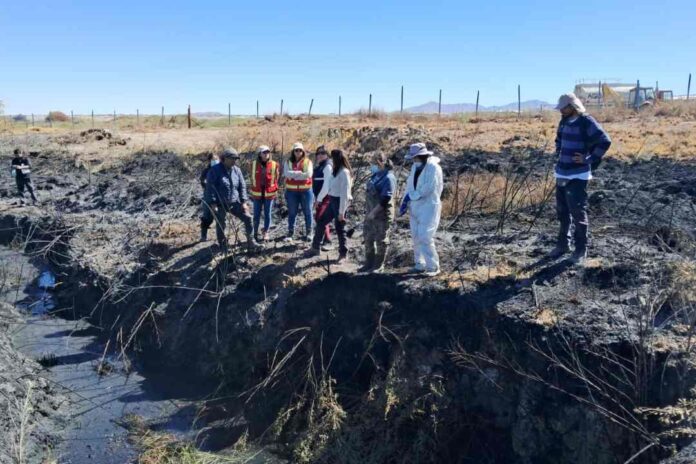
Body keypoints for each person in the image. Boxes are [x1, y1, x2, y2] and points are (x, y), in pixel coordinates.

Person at [549, 93, 611, 265]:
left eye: (564, 107)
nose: (561, 110)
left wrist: (589, 159)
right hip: (561, 172)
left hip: (578, 174)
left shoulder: (586, 121)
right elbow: (559, 140)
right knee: (562, 212)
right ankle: (562, 245)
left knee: (578, 212)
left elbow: (605, 141)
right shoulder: (563, 121)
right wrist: (559, 154)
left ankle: (580, 250)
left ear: (573, 106)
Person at [204, 148, 260, 251]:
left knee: (248, 218)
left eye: (236, 159)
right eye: (232, 158)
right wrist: (212, 203)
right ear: (224, 159)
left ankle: (251, 242)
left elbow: (242, 186)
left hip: (234, 202)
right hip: (219, 203)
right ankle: (223, 245)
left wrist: (243, 202)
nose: (234, 161)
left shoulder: (237, 170)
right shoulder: (214, 170)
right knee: (221, 223)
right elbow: (210, 187)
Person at [401, 143, 443, 276]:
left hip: (429, 206)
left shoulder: (433, 168)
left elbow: (428, 188)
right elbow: (409, 186)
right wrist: (405, 201)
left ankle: (433, 267)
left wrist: (411, 196)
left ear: (422, 155)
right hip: (415, 206)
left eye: (416, 157)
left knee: (425, 235)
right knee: (416, 236)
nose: (414, 160)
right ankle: (420, 264)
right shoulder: (415, 167)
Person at [309, 149, 352, 262]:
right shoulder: (335, 170)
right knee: (321, 221)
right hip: (332, 200)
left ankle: (343, 254)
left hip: (340, 202)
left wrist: (342, 212)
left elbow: (345, 194)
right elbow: (329, 186)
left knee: (340, 228)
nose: (331, 160)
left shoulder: (344, 172)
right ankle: (315, 247)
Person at [362, 153, 397, 273]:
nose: (371, 166)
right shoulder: (375, 175)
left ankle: (378, 265)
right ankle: (368, 263)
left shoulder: (389, 177)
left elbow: (385, 199)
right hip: (370, 212)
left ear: (380, 163)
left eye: (373, 163)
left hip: (381, 214)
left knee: (381, 239)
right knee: (368, 237)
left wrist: (374, 212)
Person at [283, 142, 314, 242]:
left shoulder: (308, 162)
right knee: (292, 213)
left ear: (303, 151)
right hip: (292, 192)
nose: (298, 152)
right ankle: (290, 232)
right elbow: (286, 174)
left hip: (306, 191)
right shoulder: (288, 162)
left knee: (308, 212)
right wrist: (300, 173)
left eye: (300, 150)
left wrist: (294, 175)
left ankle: (309, 232)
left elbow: (308, 174)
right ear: (293, 151)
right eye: (296, 150)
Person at [249, 145, 280, 242]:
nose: (266, 154)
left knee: (267, 214)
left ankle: (266, 232)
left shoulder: (275, 164)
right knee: (256, 215)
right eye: (264, 152)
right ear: (260, 154)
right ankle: (254, 233)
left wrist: (273, 188)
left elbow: (276, 178)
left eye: (268, 152)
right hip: (257, 193)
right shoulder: (253, 164)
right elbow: (251, 177)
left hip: (269, 194)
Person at [312, 145, 333, 250]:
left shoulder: (327, 167)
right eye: (318, 153)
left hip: (326, 197)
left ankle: (327, 240)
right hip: (319, 197)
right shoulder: (320, 166)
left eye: (323, 153)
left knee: (321, 218)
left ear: (327, 154)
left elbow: (326, 186)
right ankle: (326, 238)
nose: (320, 155)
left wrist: (319, 199)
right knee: (319, 218)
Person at [199, 153, 219, 241]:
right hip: (208, 196)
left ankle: (221, 237)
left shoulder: (221, 170)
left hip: (219, 197)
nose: (215, 161)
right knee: (207, 217)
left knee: (220, 217)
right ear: (209, 161)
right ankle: (203, 236)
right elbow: (202, 182)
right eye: (213, 159)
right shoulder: (206, 171)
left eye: (216, 159)